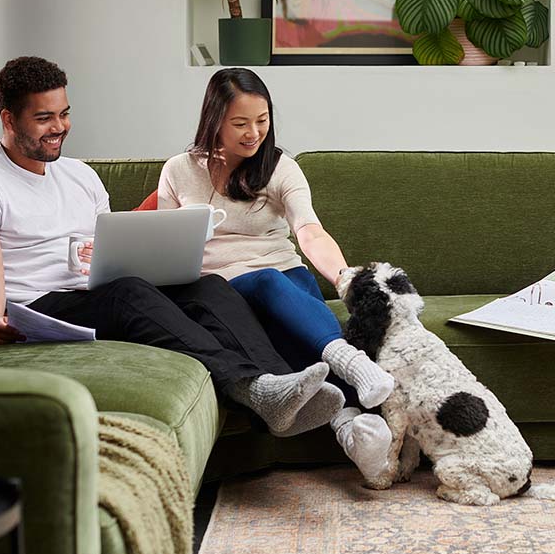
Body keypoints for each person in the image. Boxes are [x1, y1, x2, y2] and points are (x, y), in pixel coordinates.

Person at [0, 56, 343, 436]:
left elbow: (107, 245)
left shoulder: (80, 176)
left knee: (207, 286)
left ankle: (280, 384)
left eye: (64, 114)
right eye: (43, 118)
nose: (59, 127)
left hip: (92, 292)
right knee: (130, 292)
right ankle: (253, 387)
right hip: (39, 307)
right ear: (8, 119)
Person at [157, 68, 394, 481]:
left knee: (272, 284)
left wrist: (344, 277)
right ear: (213, 120)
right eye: (240, 123)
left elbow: (309, 231)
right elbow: (163, 243)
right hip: (221, 294)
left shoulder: (280, 168)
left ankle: (352, 401)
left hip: (283, 282)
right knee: (265, 301)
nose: (254, 133)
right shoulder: (180, 170)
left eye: (262, 120)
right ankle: (351, 408)